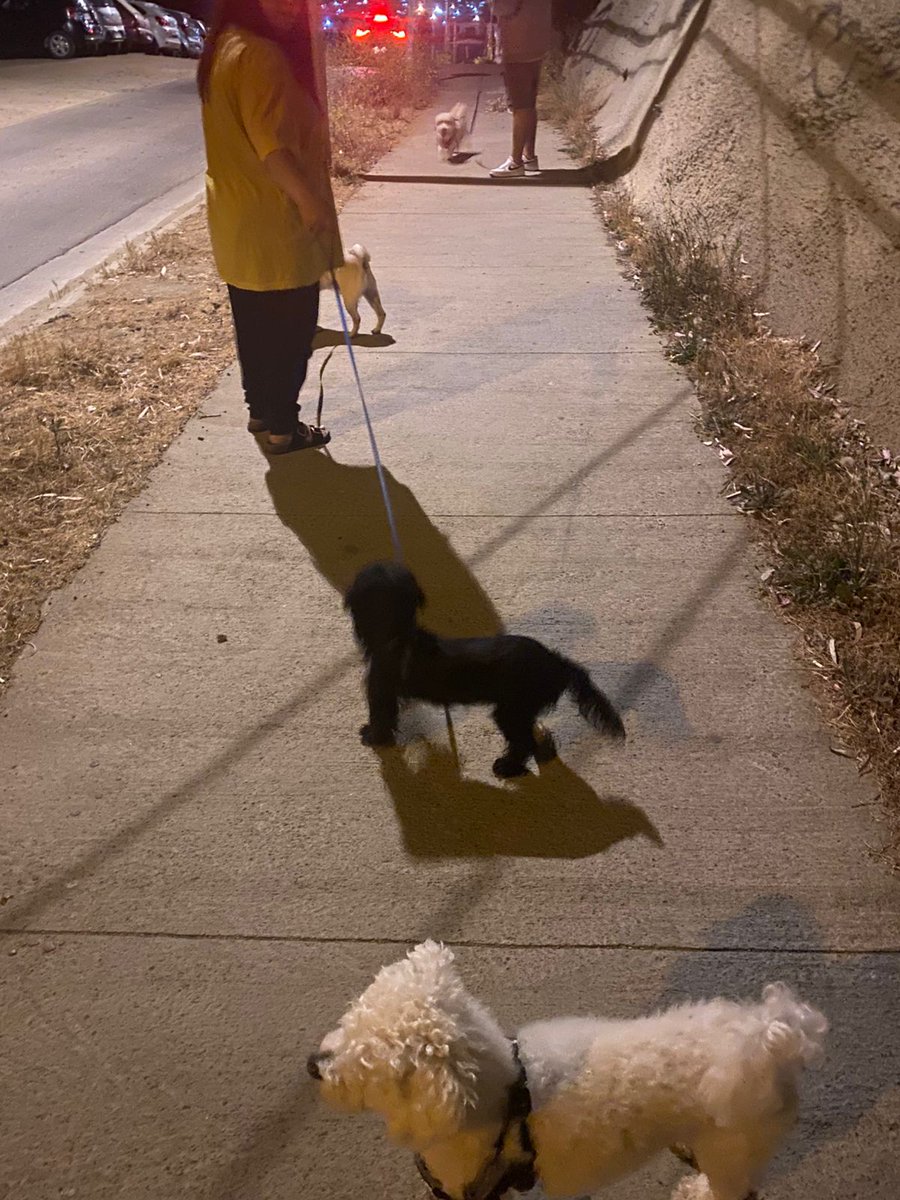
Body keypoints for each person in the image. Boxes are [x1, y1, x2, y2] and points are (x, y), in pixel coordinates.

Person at [198, 0, 344, 453]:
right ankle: (284, 426)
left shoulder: (223, 46)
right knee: (291, 332)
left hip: (238, 221)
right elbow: (272, 146)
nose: (290, 6)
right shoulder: (262, 55)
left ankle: (261, 411)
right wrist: (310, 203)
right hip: (277, 221)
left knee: (255, 325)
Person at [490, 0, 555, 179]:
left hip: (517, 42)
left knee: (520, 105)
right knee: (529, 102)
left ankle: (515, 162)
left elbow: (503, 8)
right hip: (537, 41)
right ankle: (529, 157)